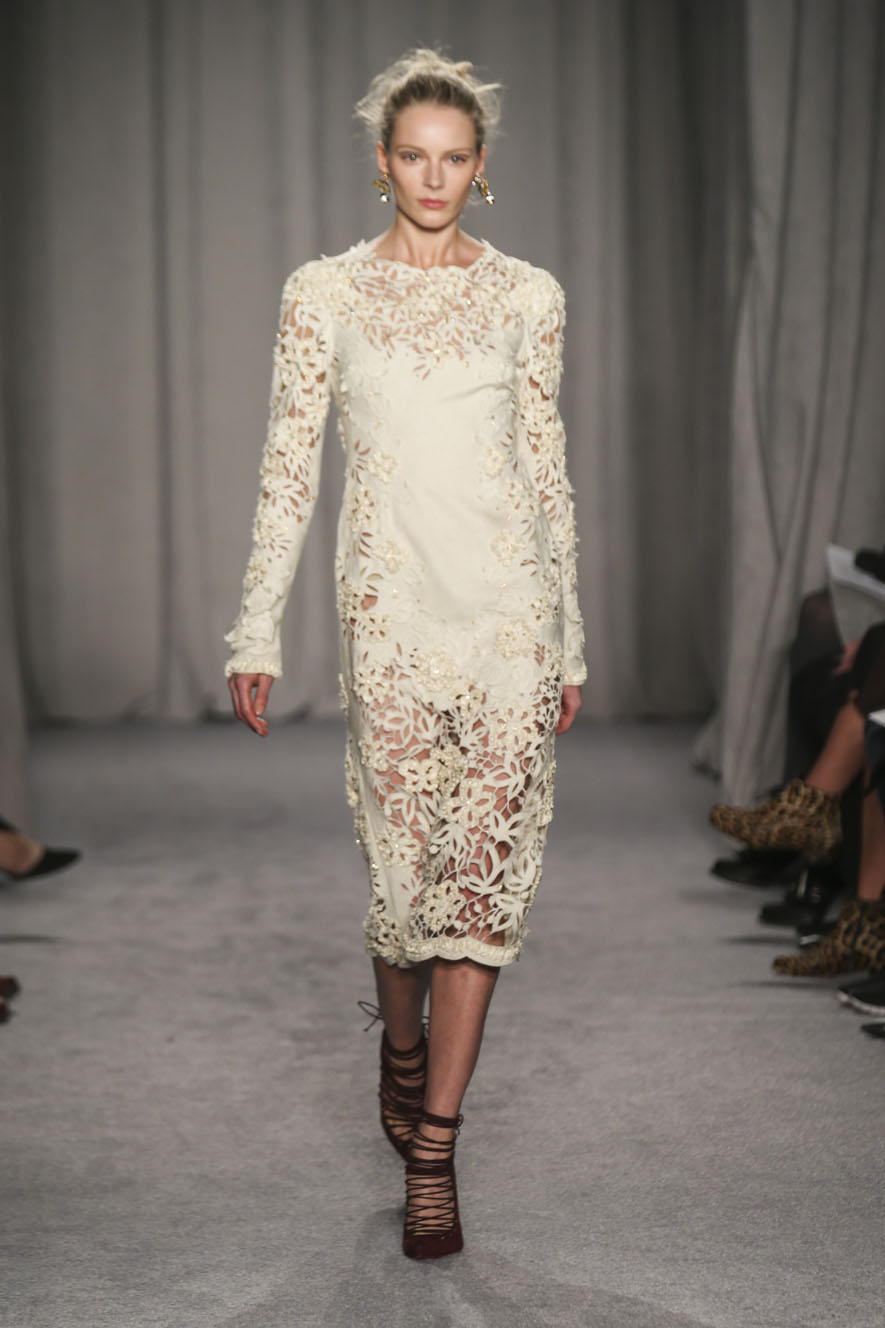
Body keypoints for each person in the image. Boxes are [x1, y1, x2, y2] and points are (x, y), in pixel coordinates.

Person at [224, 50, 586, 1259]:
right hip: (389, 620)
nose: (435, 177)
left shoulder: (528, 294)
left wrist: (570, 637)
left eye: (456, 158)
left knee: (479, 885)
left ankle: (436, 1147)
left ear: (481, 169)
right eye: (415, 157)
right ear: (383, 162)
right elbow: (288, 470)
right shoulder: (323, 293)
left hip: (508, 622)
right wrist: (256, 624)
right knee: (402, 891)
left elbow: (547, 472)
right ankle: (400, 1041)